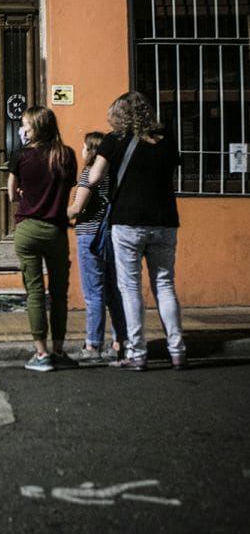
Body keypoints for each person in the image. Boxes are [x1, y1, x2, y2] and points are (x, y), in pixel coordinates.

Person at [85, 92, 186, 371]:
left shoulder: (113, 140)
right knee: (164, 285)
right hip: (164, 220)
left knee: (130, 288)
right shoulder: (166, 139)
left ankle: (137, 353)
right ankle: (177, 351)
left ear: (119, 115)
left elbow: (94, 178)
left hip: (128, 221)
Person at [7, 106, 79, 372]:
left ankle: (41, 354)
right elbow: (67, 187)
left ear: (35, 127)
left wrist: (27, 192)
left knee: (35, 293)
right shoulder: (66, 155)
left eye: (25, 124)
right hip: (56, 231)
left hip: (28, 230)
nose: (23, 129)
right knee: (59, 294)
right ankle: (59, 351)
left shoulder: (21, 156)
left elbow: (12, 194)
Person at [66, 132, 127, 362]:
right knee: (114, 292)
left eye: (84, 147)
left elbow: (77, 208)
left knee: (94, 293)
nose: (81, 151)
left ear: (91, 151)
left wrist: (54, 214)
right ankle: (120, 341)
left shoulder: (89, 174)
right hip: (111, 236)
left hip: (89, 237)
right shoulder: (113, 176)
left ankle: (93, 345)